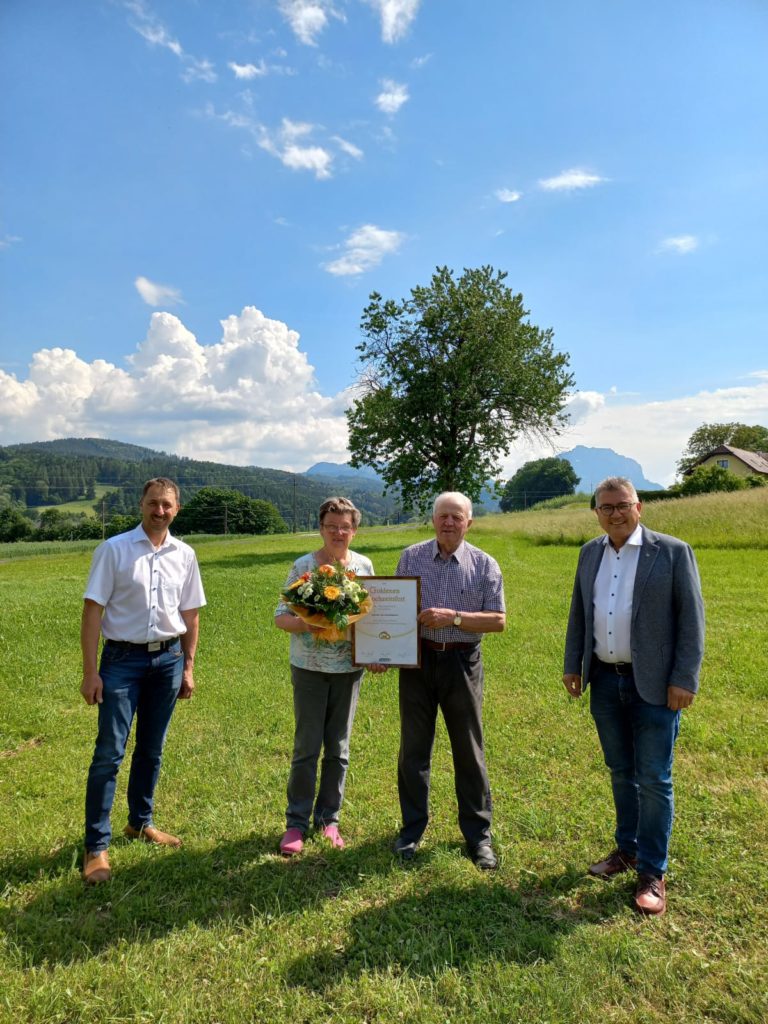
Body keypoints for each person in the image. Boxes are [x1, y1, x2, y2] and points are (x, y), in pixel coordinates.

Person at [563, 476, 705, 915]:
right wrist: (574, 664)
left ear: (639, 506)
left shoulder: (673, 552)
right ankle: (626, 850)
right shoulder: (590, 553)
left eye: (622, 505)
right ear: (596, 512)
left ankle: (652, 871)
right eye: (606, 507)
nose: (615, 513)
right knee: (620, 770)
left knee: (655, 778)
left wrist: (684, 678)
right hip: (605, 680)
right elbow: (579, 613)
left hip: (657, 686)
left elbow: (692, 621)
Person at [80, 478, 206, 885]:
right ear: (141, 505)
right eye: (153, 503)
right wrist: (90, 672)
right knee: (109, 754)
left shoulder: (185, 554)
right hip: (121, 662)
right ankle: (96, 846)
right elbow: (92, 611)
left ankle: (140, 823)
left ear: (177, 509)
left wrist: (187, 666)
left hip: (168, 660)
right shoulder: (113, 550)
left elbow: (191, 615)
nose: (160, 511)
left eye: (167, 505)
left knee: (151, 750)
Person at [393, 492, 506, 870]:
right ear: (432, 520)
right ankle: (410, 831)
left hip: (462, 662)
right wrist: (381, 651)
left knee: (469, 751)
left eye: (456, 517)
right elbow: (393, 608)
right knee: (413, 750)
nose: (448, 523)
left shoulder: (485, 565)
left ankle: (478, 837)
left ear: (469, 522)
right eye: (442, 516)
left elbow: (498, 621)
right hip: (418, 662)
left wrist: (454, 617)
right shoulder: (411, 557)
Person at [275, 497, 385, 856]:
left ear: (354, 530)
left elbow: (374, 620)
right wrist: (307, 623)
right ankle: (296, 822)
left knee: (338, 748)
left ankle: (329, 819)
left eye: (345, 526)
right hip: (308, 667)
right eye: (331, 526)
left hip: (349, 670)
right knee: (306, 747)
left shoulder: (364, 566)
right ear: (320, 528)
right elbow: (281, 617)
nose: (338, 532)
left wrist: (377, 653)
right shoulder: (303, 566)